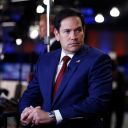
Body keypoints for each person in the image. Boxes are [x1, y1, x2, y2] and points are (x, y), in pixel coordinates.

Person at [19, 8, 112, 128]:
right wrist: (26, 111)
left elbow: (97, 103)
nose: (73, 36)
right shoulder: (45, 59)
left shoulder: (98, 59)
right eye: (67, 31)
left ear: (84, 31)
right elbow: (30, 94)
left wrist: (53, 115)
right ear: (57, 34)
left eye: (78, 30)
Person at [103, 59, 125, 128]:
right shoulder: (120, 74)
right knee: (113, 120)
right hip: (114, 101)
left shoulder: (105, 76)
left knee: (108, 120)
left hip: (112, 101)